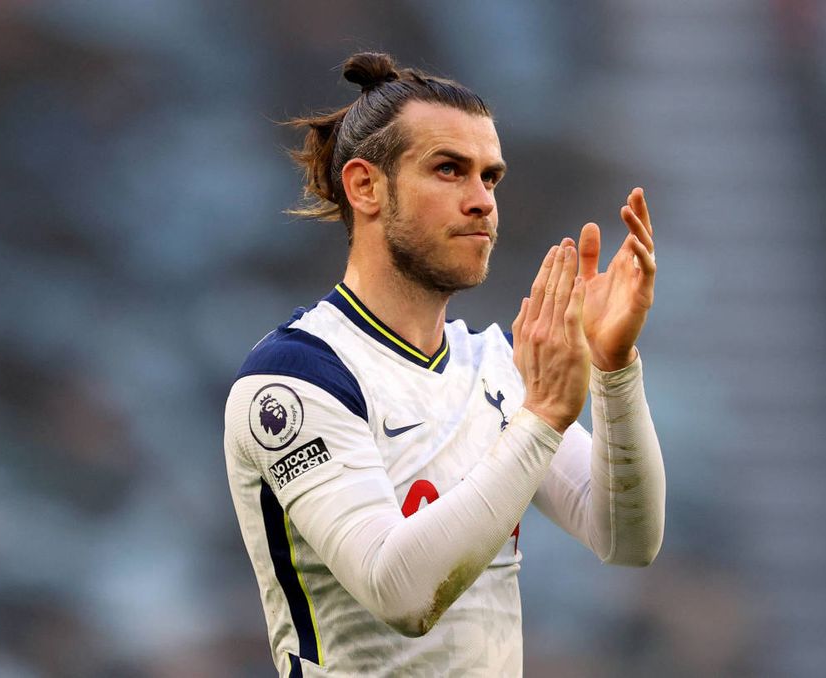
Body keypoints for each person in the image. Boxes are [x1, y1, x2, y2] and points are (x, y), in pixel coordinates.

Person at [224, 51, 665, 677]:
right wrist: (541, 419)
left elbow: (627, 539)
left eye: (491, 178)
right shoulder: (295, 377)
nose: (482, 201)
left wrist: (614, 370)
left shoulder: (496, 366)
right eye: (449, 170)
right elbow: (400, 595)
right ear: (365, 186)